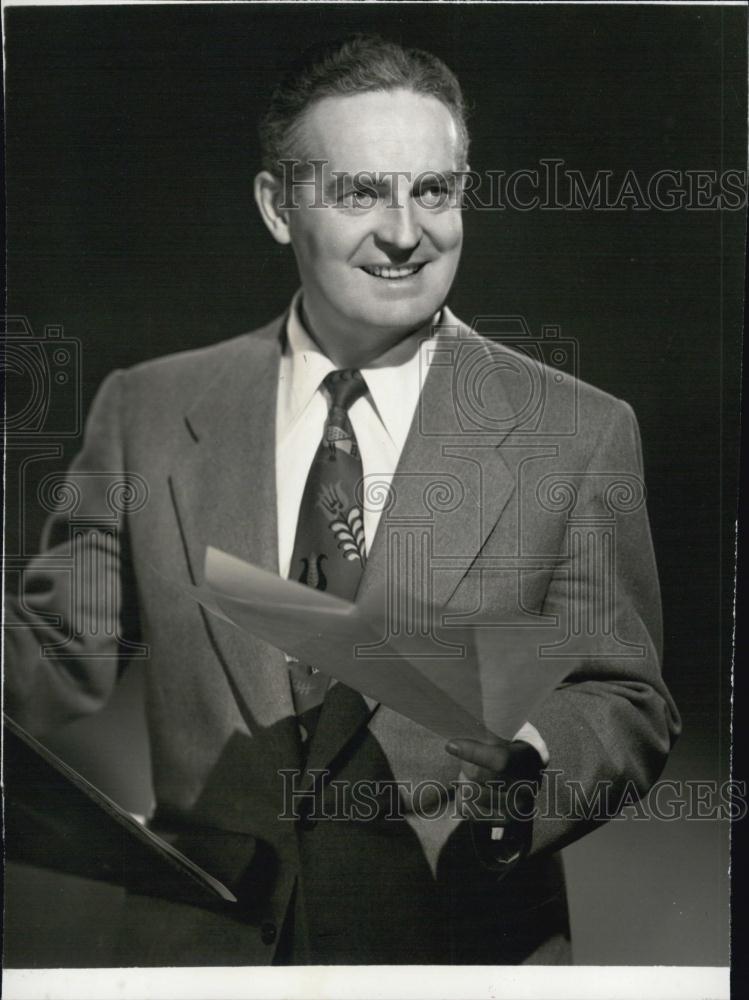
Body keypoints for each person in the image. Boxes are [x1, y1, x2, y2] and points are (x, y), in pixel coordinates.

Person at [4, 35, 680, 965]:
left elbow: (625, 696)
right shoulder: (149, 408)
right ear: (277, 207)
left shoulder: (577, 430)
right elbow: (51, 653)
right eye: (360, 192)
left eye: (432, 191)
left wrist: (533, 760)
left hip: (456, 949)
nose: (405, 231)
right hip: (203, 957)